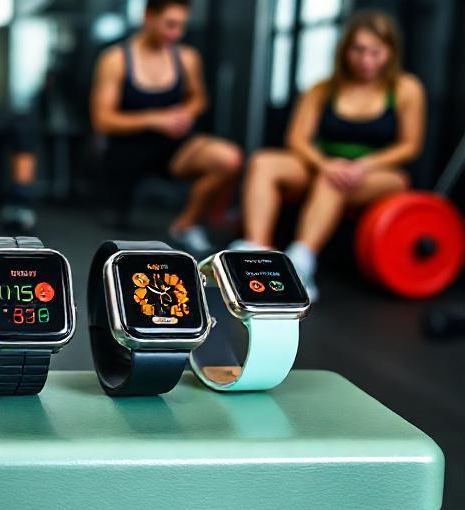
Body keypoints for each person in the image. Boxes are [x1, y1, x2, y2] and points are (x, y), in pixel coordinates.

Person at [235, 10, 425, 301]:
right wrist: (325, 163)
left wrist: (361, 165)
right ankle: (256, 254)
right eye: (358, 50)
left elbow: (410, 146)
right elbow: (296, 139)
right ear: (345, 50)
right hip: (326, 163)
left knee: (336, 180)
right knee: (264, 162)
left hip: (379, 172)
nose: (366, 60)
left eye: (376, 52)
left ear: (390, 52)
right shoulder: (323, 89)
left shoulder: (406, 89)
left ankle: (300, 264)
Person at [91, 0, 243, 256]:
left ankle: (185, 226)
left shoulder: (187, 57)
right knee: (114, 229)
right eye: (170, 25)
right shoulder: (115, 59)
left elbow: (199, 98)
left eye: (181, 26)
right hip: (127, 150)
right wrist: (156, 119)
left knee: (229, 159)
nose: (176, 34)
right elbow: (103, 120)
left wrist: (185, 113)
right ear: (149, 16)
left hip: (175, 149)